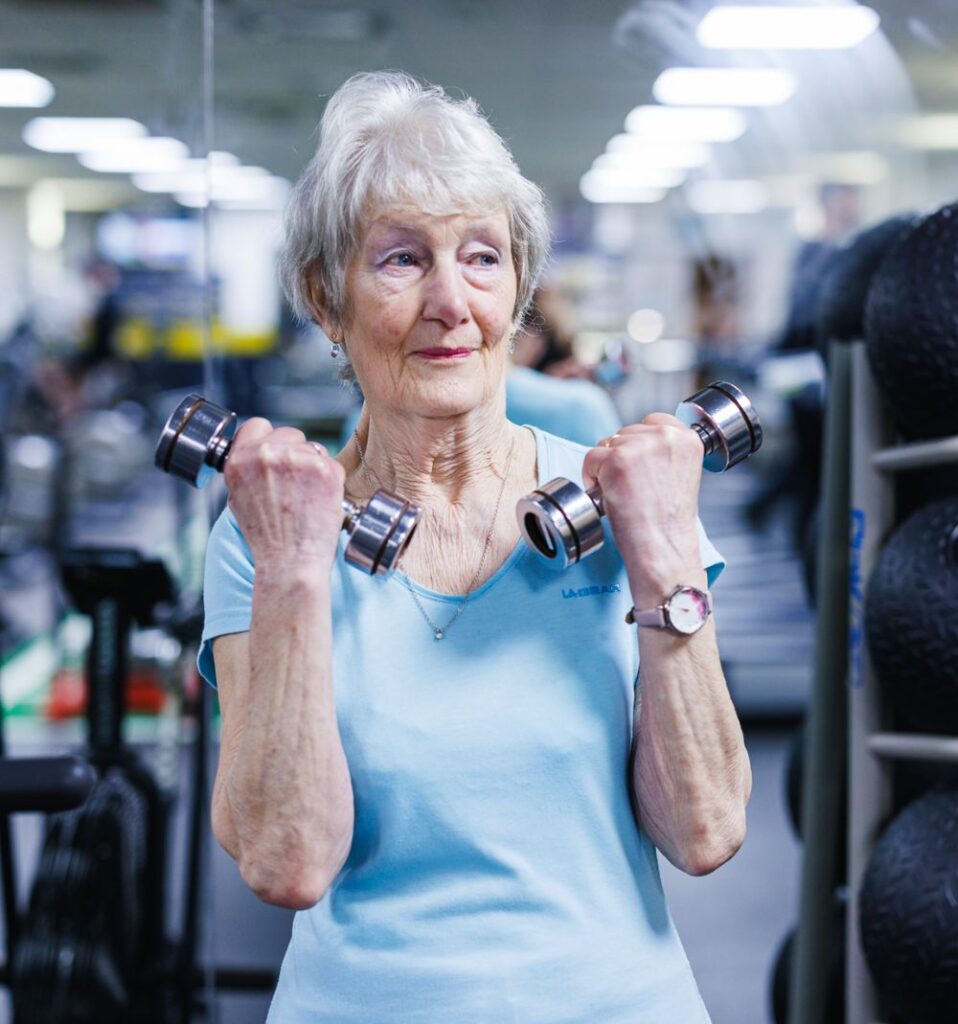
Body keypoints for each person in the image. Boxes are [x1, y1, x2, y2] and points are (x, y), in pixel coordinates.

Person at [199, 71, 750, 1023]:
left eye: (484, 258)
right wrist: (294, 571)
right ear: (327, 301)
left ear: (520, 291)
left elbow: (703, 830)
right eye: (403, 260)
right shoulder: (271, 536)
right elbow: (287, 861)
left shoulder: (627, 503)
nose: (453, 302)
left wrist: (663, 558)